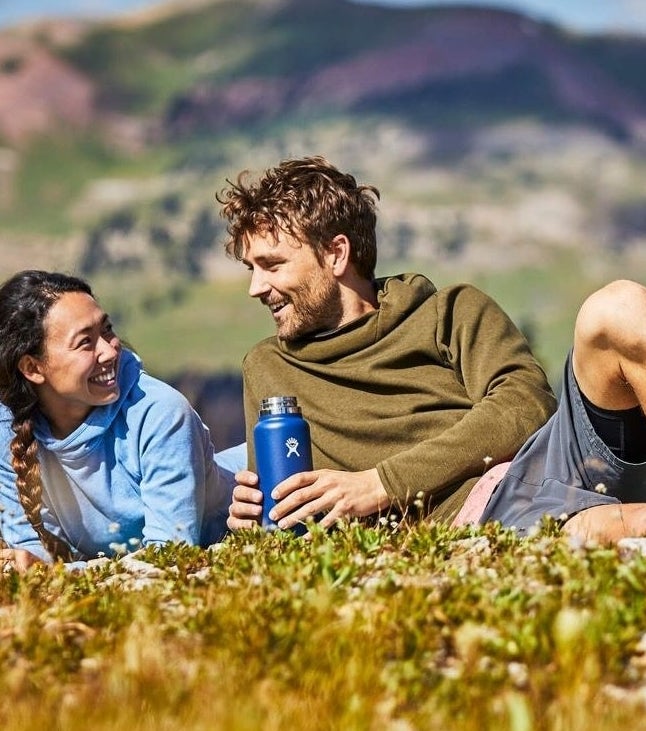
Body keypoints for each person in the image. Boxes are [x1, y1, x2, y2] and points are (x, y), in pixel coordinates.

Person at [217, 156, 557, 534]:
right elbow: (283, 508)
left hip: (505, 496)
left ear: (336, 254)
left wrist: (382, 484)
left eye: (273, 265)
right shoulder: (267, 366)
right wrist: (250, 516)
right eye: (252, 269)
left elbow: (526, 403)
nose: (255, 288)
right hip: (413, 547)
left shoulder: (449, 313)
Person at [0, 270, 244, 571]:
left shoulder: (161, 413)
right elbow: (28, 556)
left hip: (270, 502)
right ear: (32, 368)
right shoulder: (8, 429)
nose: (110, 349)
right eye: (85, 342)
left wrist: (56, 573)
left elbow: (169, 557)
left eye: (107, 330)